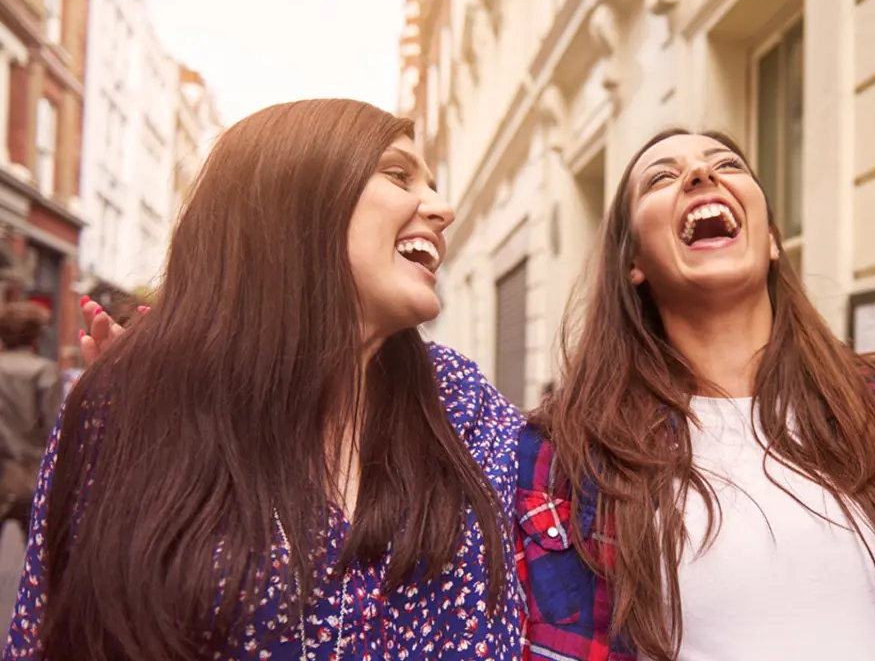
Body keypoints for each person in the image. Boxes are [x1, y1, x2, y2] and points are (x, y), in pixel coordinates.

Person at [3, 99, 525, 661]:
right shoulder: (123, 409)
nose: (443, 209)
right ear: (294, 203)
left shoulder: (462, 404)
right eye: (398, 175)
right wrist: (156, 401)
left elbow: (603, 482)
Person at [516, 129, 875, 660]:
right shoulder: (569, 456)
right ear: (633, 263)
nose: (701, 175)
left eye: (726, 164)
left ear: (771, 238)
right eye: (661, 177)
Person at [0, 302, 60, 533]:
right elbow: (54, 428)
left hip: (3, 470)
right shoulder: (43, 371)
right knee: (36, 554)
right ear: (36, 336)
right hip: (33, 475)